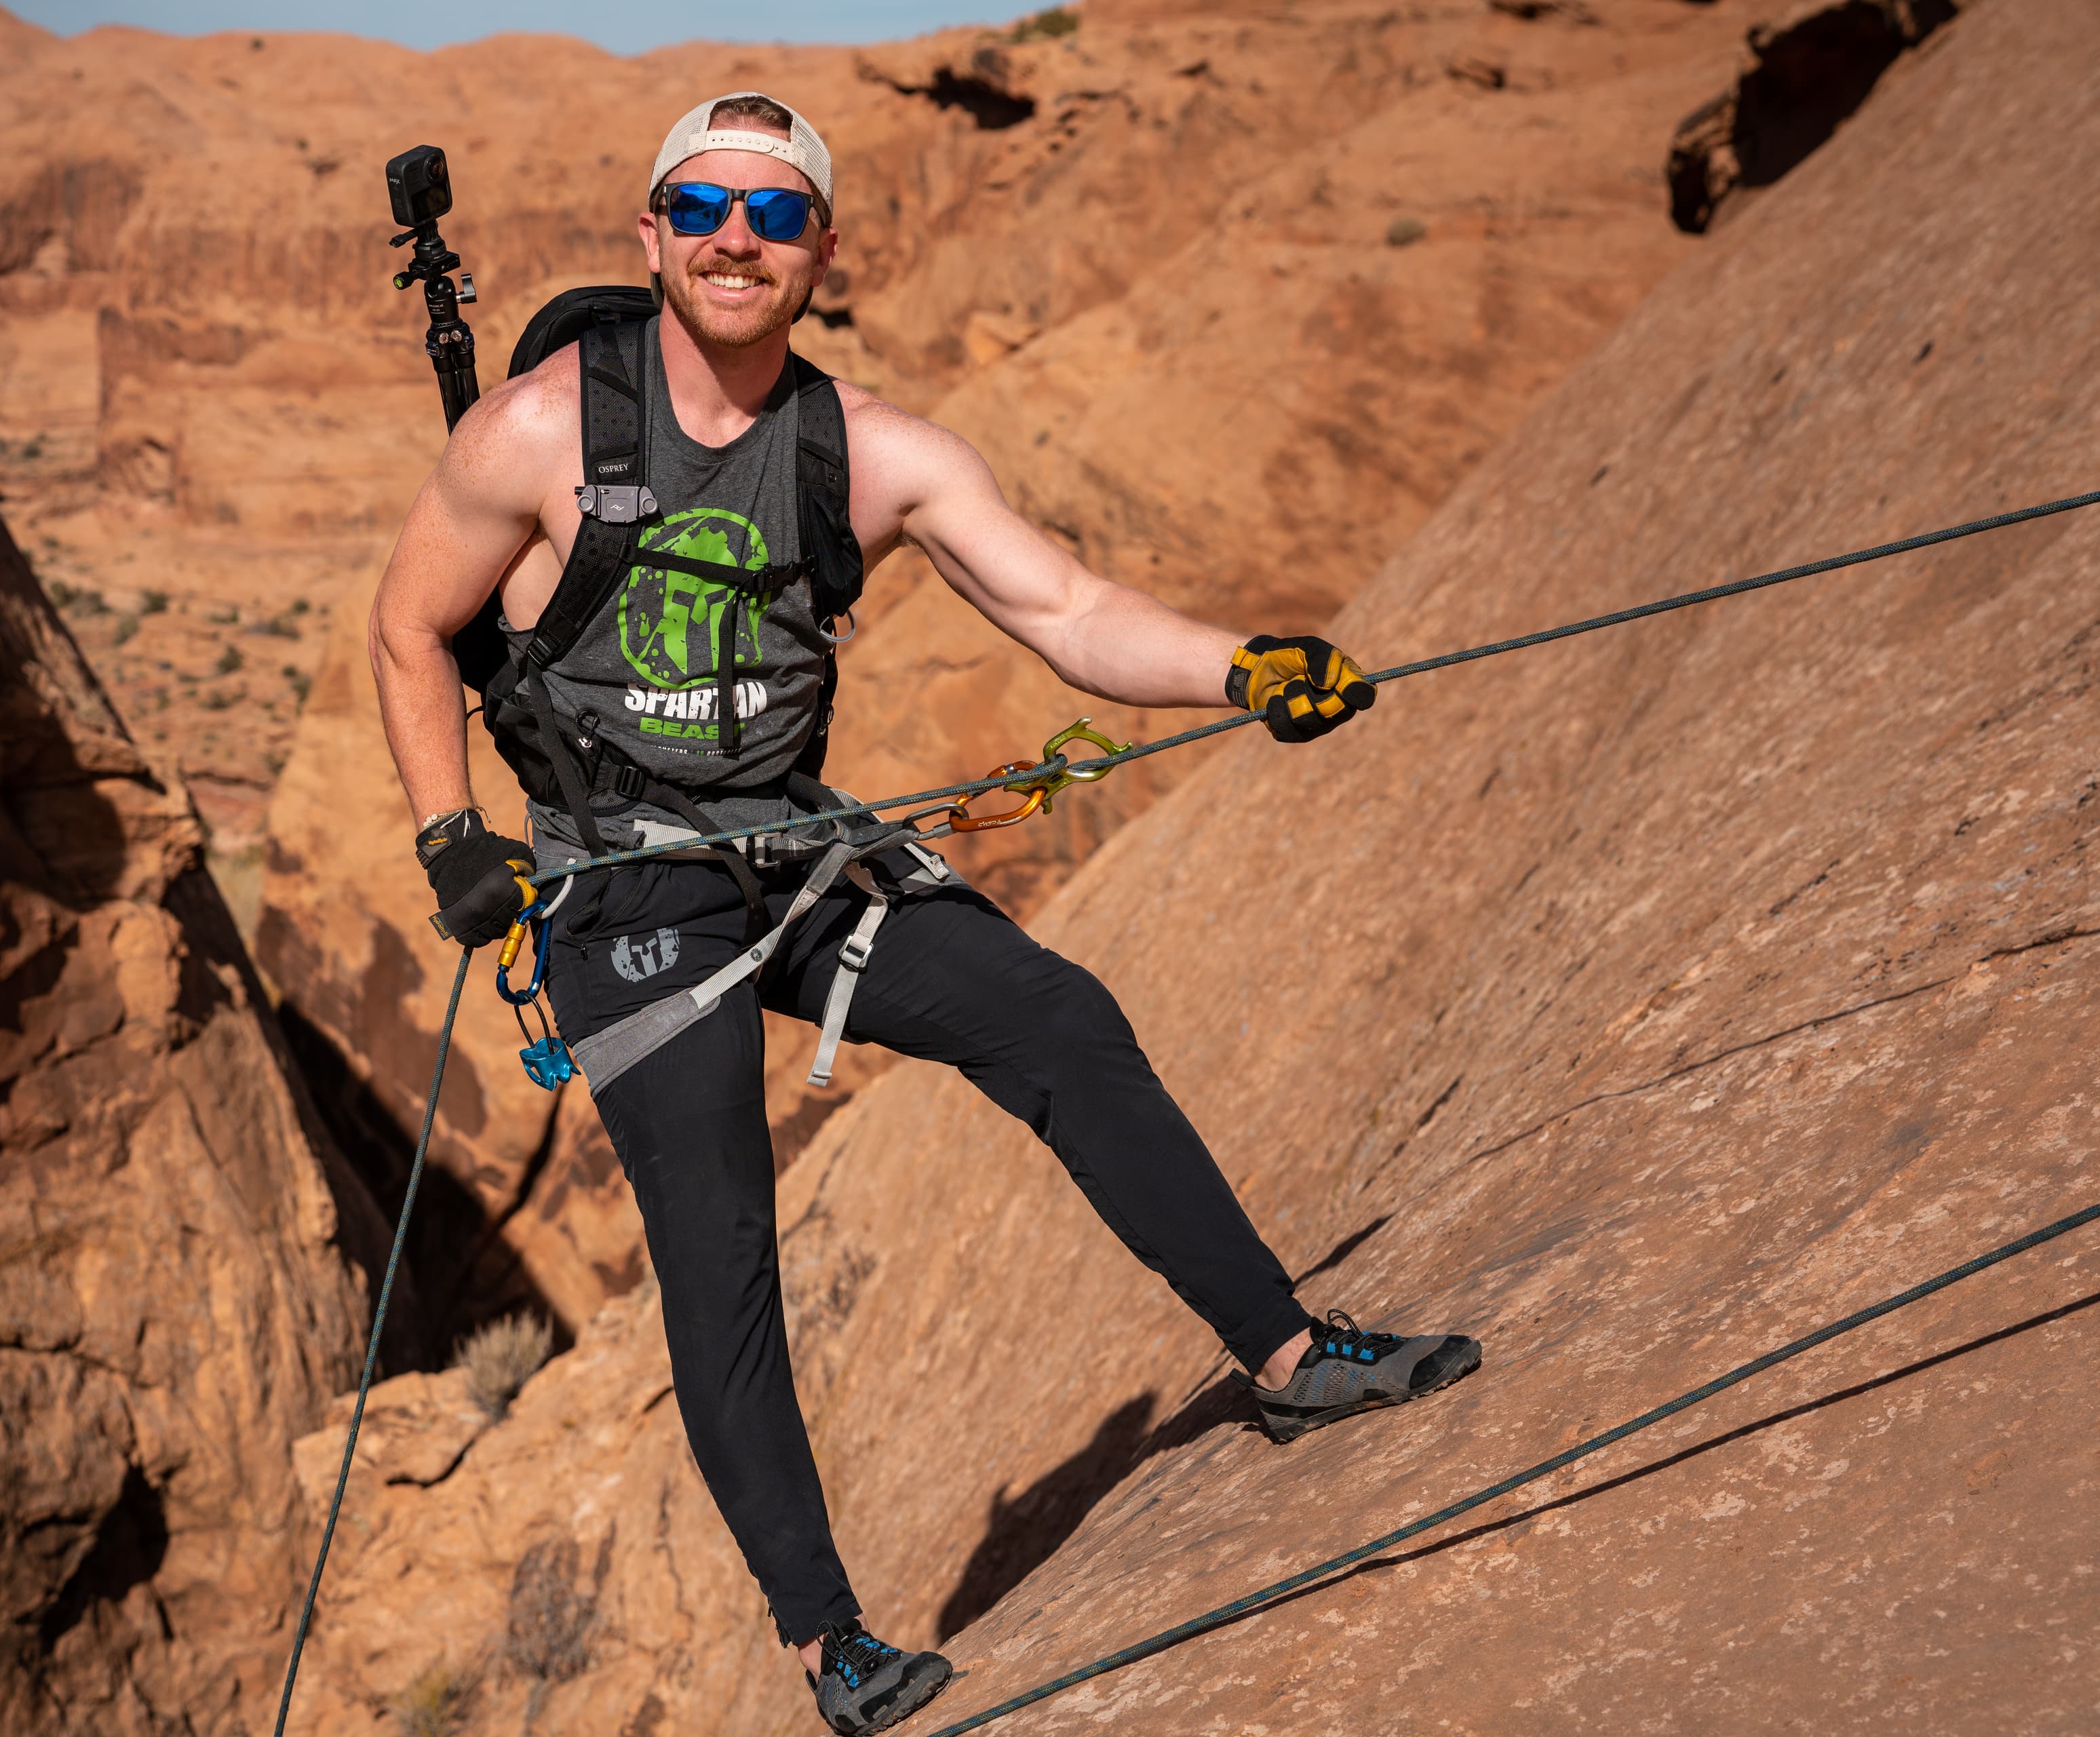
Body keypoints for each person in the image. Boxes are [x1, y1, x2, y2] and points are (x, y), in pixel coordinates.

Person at [370, 92, 1483, 1737]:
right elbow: (408, 634)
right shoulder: (536, 433)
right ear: (651, 233)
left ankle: (1289, 1355)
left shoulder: (871, 453)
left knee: (1055, 1018)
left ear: (823, 248)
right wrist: (451, 837)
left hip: (795, 861)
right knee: (722, 1241)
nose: (734, 240)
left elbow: (1071, 609)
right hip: (620, 894)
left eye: (773, 215)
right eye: (701, 209)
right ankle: (831, 1646)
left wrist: (1245, 668)